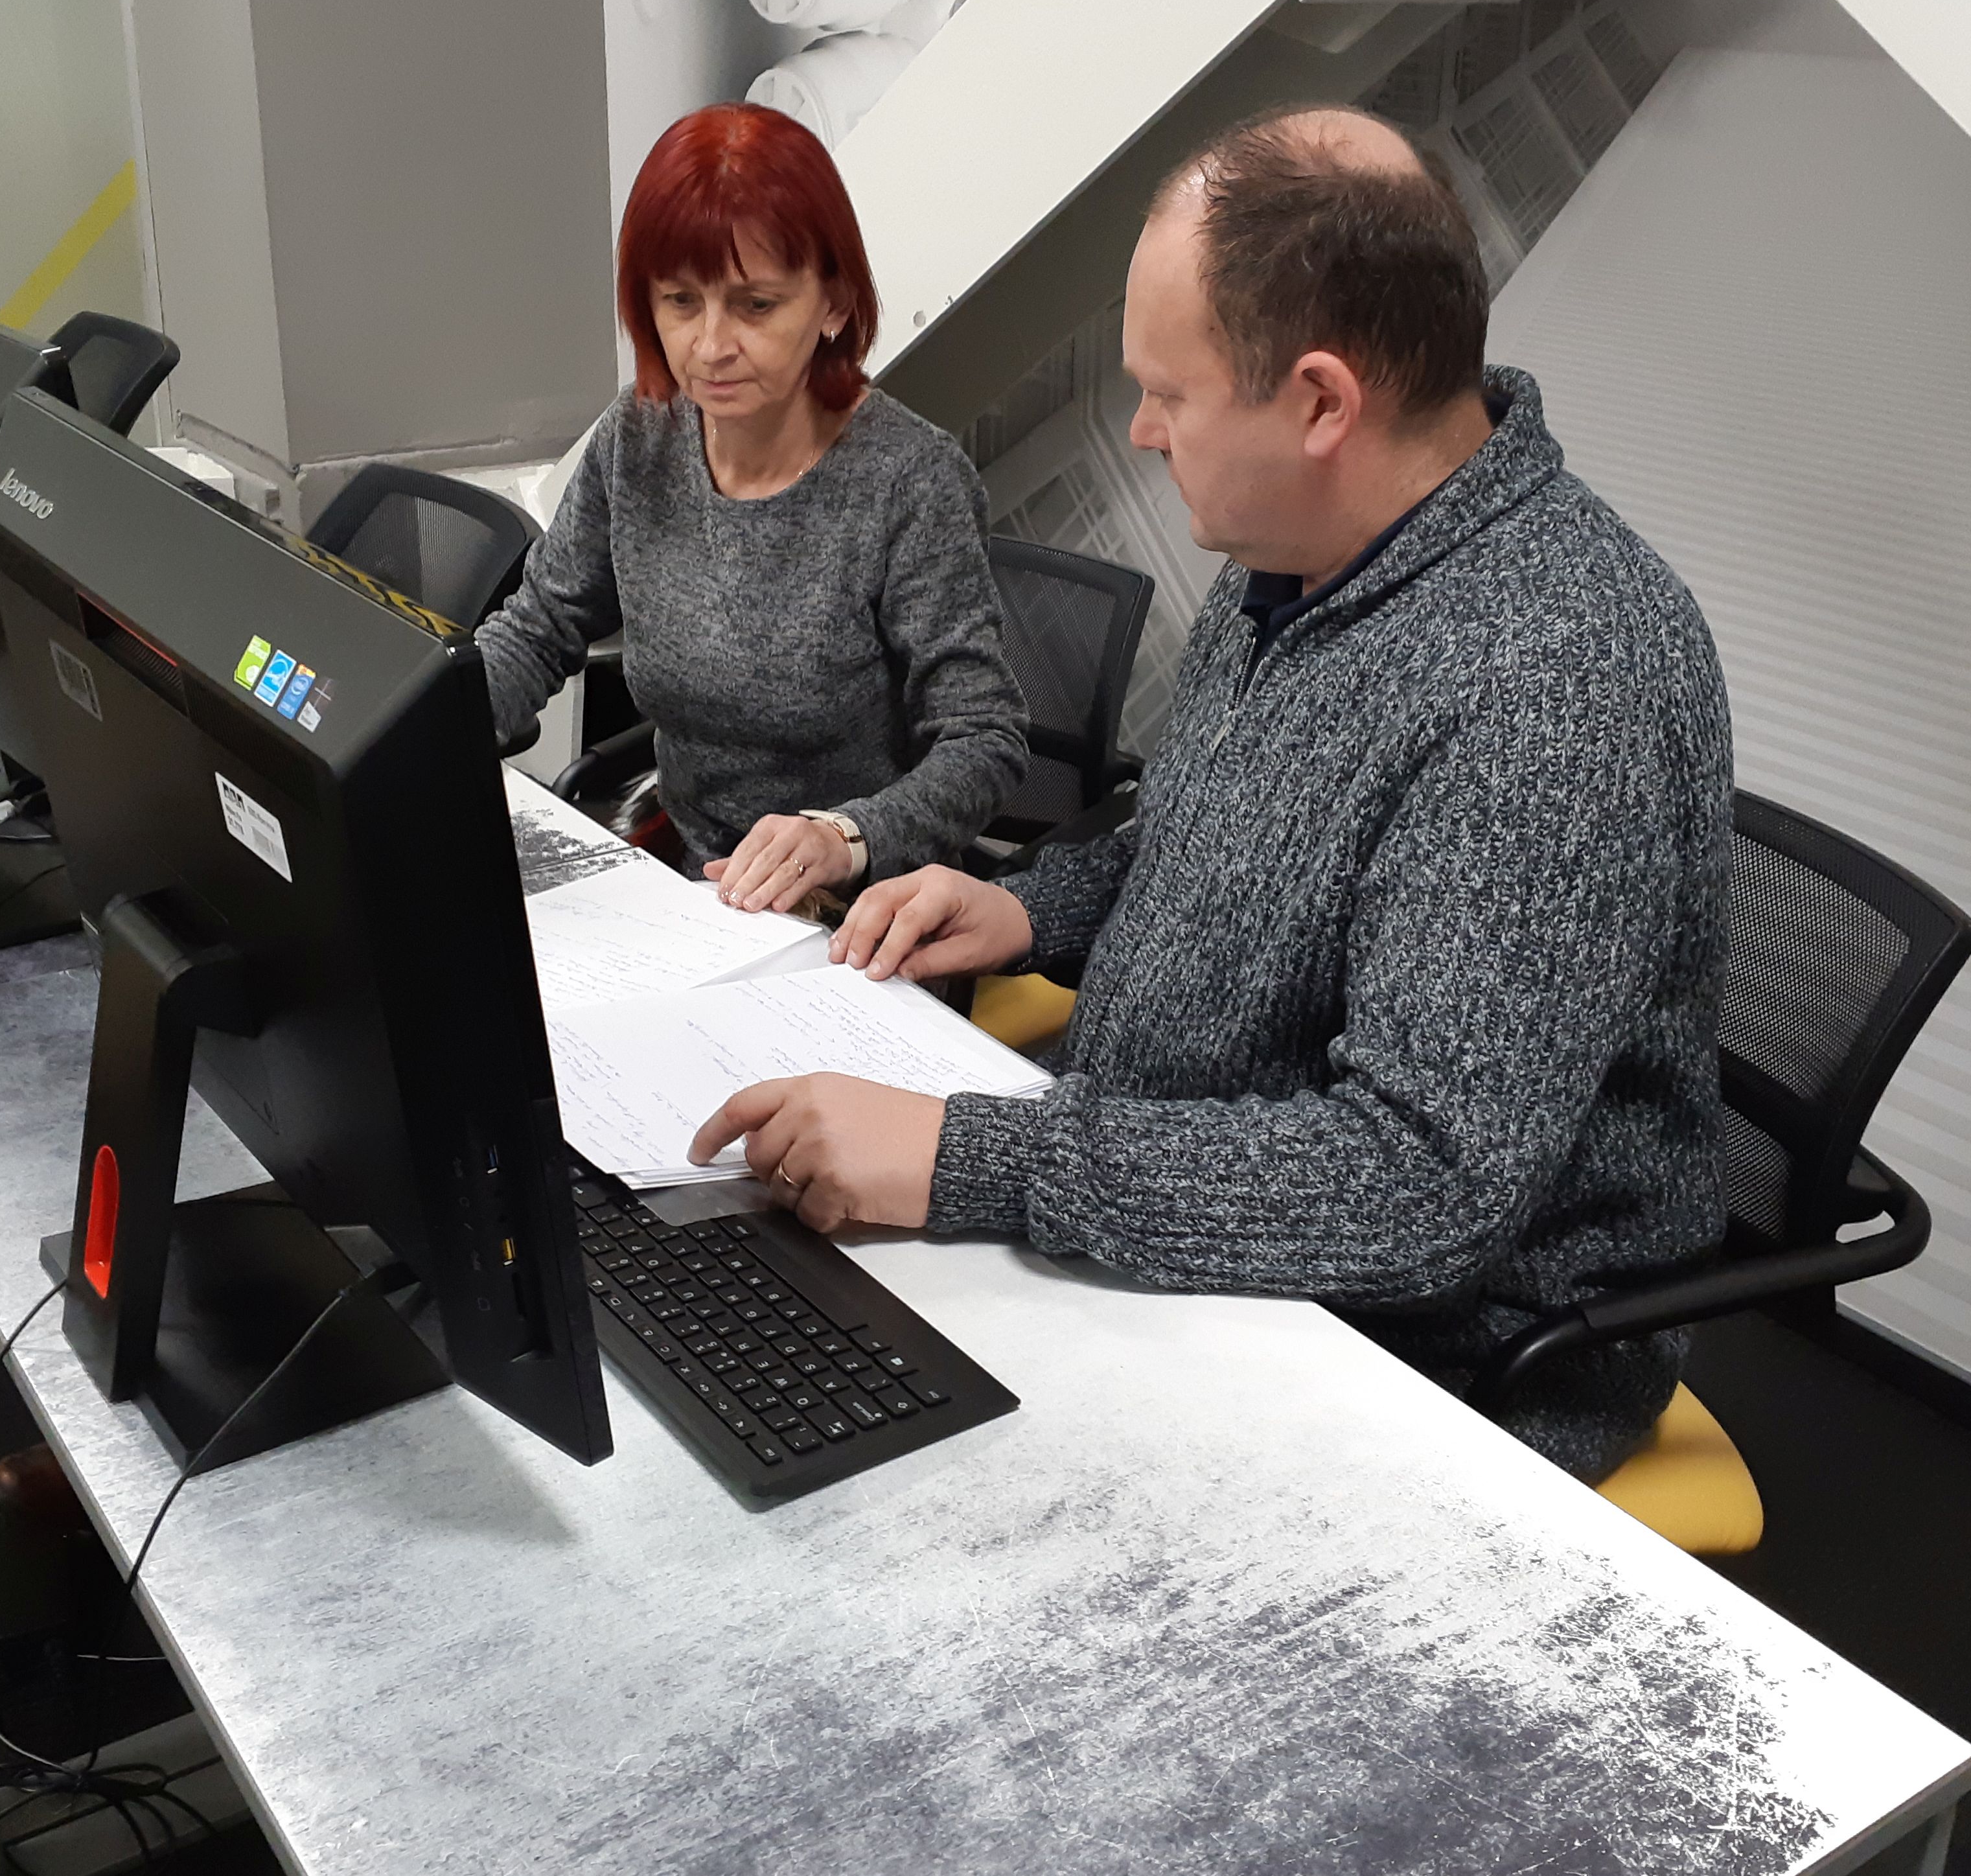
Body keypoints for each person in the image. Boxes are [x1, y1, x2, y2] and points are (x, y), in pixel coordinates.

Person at [691, 105, 1733, 1481]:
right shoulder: (1299, 545)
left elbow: (1416, 1187)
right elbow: (1203, 835)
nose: (1140, 431)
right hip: (1169, 1184)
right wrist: (1031, 912)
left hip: (1417, 1350)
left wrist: (971, 1163)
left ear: (1319, 403)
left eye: (1168, 396)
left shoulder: (1552, 681)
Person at [478, 104, 1026, 912]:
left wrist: (844, 836)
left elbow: (984, 739)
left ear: (833, 303)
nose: (710, 347)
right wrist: (427, 732)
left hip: (856, 908)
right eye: (680, 302)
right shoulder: (639, 437)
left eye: (756, 306)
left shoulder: (909, 482)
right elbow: (540, 626)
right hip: (687, 874)